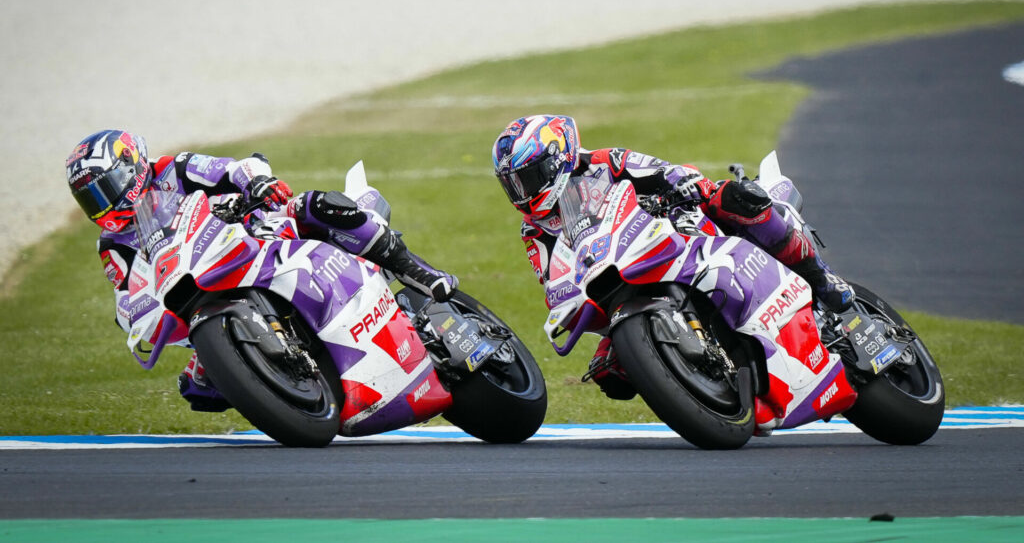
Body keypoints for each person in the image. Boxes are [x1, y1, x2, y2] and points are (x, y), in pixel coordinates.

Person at [66, 129, 457, 411]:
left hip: (253, 234)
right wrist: (138, 317)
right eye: (90, 198)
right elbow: (125, 298)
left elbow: (234, 169)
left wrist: (258, 184)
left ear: (132, 165)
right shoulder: (113, 244)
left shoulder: (175, 169)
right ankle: (289, 373)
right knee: (199, 390)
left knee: (314, 206)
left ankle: (413, 268)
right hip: (204, 288)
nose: (102, 202)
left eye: (106, 187)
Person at [491, 114, 854, 400]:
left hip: (672, 229)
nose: (522, 192)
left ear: (558, 158)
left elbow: (663, 170)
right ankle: (705, 377)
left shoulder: (605, 162)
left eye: (528, 177)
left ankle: (820, 277)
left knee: (737, 199)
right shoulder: (534, 230)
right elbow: (551, 279)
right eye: (513, 184)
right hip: (620, 274)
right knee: (608, 370)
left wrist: (687, 185)